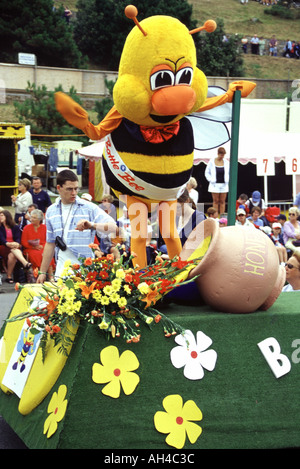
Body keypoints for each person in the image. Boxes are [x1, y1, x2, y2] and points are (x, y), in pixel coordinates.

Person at [36, 170, 118, 283]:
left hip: (85, 272)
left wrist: (92, 225)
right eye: (69, 189)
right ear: (59, 188)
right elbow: (50, 243)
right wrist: (42, 272)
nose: (74, 192)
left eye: (76, 188)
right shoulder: (51, 211)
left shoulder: (89, 207)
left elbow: (113, 227)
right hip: (61, 273)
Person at [21, 209, 55, 281]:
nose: (31, 219)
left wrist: (42, 246)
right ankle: (38, 275)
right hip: (30, 249)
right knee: (36, 254)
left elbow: (48, 240)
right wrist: (34, 246)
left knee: (47, 254)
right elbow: (23, 242)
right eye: (31, 217)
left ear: (40, 219)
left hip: (42, 247)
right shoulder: (26, 228)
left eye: (34, 218)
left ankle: (51, 276)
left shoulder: (45, 228)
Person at [0, 209, 32, 284]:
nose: (0, 217)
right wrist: (8, 243)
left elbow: (18, 237)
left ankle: (9, 276)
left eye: (1, 215)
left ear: (7, 216)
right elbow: (1, 239)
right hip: (3, 247)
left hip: (13, 248)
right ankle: (25, 263)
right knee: (14, 249)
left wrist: (17, 243)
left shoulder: (15, 227)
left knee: (12, 255)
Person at [205, 147, 229, 216]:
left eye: (223, 155)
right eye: (221, 155)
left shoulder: (227, 162)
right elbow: (207, 172)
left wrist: (227, 179)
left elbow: (230, 172)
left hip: (224, 185)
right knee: (215, 201)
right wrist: (211, 180)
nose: (222, 157)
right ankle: (214, 216)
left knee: (222, 201)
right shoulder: (211, 161)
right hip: (214, 185)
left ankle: (222, 217)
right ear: (218, 154)